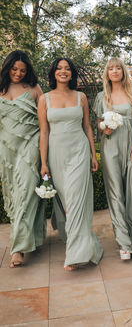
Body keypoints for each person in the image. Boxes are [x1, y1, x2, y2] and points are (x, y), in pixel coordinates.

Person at [37, 58, 103, 271]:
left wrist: (94, 154)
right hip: (57, 154)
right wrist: (44, 162)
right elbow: (44, 132)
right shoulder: (44, 99)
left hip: (79, 152)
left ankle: (76, 254)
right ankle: (86, 244)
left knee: (76, 200)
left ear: (72, 73)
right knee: (67, 204)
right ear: (53, 73)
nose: (63, 72)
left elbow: (88, 127)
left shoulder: (81, 97)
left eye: (67, 69)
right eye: (59, 68)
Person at [93, 57, 132, 260]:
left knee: (131, 191)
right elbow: (99, 124)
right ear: (107, 73)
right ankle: (124, 244)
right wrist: (105, 128)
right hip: (110, 146)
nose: (114, 71)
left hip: (130, 145)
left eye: (118, 68)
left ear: (123, 71)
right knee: (115, 193)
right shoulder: (102, 96)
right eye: (110, 68)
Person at [0, 50, 46, 268]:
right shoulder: (0, 88)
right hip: (6, 150)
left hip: (30, 146)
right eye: (14, 69)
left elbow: (45, 122)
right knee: (14, 194)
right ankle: (32, 238)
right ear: (7, 67)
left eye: (22, 71)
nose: (18, 74)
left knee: (27, 191)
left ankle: (17, 249)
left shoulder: (34, 89)